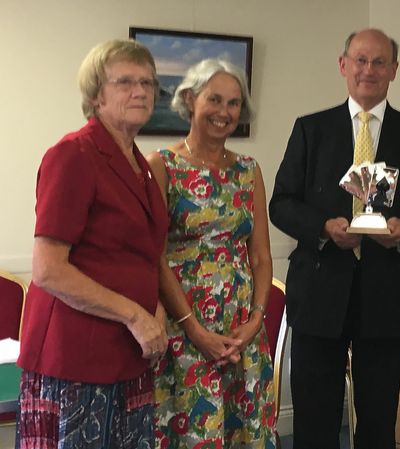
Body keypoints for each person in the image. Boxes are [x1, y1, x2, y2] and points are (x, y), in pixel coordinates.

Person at [269, 29, 400, 449]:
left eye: (379, 62)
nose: (369, 70)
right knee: (314, 421)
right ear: (343, 65)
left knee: (379, 421)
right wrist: (323, 227)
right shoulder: (310, 129)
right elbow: (281, 204)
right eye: (361, 60)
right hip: (319, 292)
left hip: (386, 296)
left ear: (394, 70)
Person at [16, 39, 169, 449]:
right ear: (96, 95)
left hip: (129, 355)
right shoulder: (74, 154)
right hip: (75, 360)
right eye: (126, 82)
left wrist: (153, 312)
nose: (140, 91)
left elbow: (141, 256)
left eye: (148, 83)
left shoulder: (140, 164)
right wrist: (136, 316)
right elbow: (49, 269)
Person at [147, 59, 276, 449]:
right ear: (190, 100)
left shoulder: (249, 170)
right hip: (185, 329)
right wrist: (195, 330)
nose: (224, 112)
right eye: (214, 99)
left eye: (234, 103)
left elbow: (261, 257)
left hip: (240, 334)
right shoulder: (162, 165)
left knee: (244, 432)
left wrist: (255, 321)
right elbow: (154, 257)